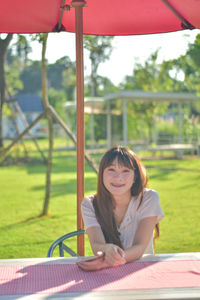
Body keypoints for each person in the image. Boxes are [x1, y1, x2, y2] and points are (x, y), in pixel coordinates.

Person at [77, 146, 164, 271]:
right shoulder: (89, 204)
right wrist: (106, 249)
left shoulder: (149, 198)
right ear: (101, 174)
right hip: (107, 273)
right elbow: (97, 244)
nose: (118, 177)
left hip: (142, 270)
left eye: (126, 171)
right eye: (111, 169)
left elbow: (139, 247)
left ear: (135, 177)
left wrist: (111, 261)